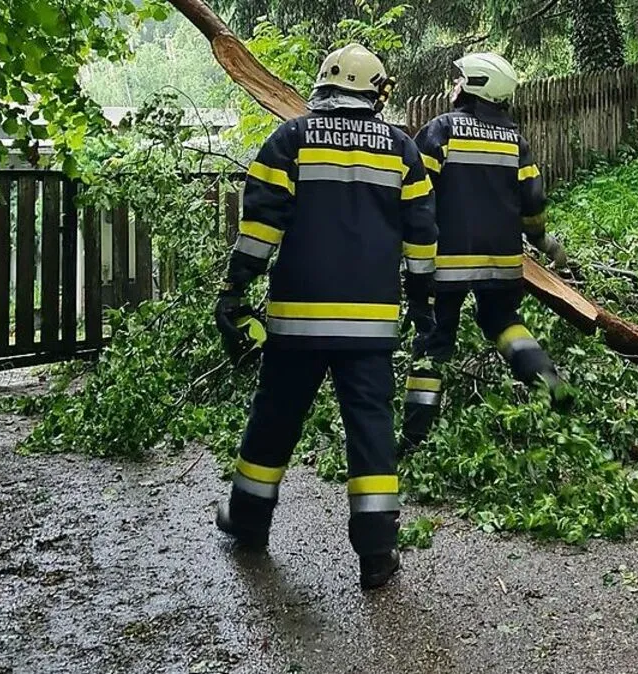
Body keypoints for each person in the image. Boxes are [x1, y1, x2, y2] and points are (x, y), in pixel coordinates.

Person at [213, 43, 437, 591]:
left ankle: (248, 521)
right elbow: (423, 239)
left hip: (297, 321)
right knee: (371, 430)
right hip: (371, 326)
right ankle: (378, 554)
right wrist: (424, 305)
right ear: (375, 91)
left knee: (274, 419)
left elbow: (259, 229)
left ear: (324, 86)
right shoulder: (402, 150)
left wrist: (234, 293)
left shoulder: (291, 139)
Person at [399, 52, 572, 453]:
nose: (454, 85)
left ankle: (413, 438)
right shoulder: (516, 141)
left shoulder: (441, 130)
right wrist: (543, 241)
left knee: (434, 339)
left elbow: (416, 193)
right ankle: (548, 380)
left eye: (460, 79)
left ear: (475, 85)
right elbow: (533, 201)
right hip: (503, 263)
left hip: (447, 263)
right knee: (502, 321)